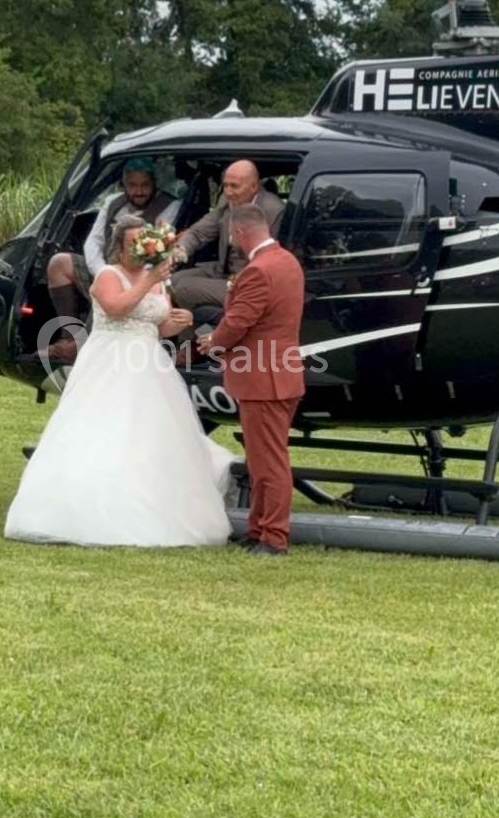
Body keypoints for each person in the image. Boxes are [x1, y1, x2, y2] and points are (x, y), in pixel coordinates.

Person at [5, 216, 234, 547]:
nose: (140, 251)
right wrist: (150, 278)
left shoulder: (156, 280)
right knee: (105, 425)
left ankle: (153, 500)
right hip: (111, 358)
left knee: (151, 430)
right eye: (133, 245)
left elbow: (159, 324)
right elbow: (116, 309)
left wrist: (179, 320)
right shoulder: (107, 277)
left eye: (144, 243)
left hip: (149, 361)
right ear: (119, 247)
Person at [197, 203, 305, 557]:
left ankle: (274, 536)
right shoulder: (287, 262)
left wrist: (212, 342)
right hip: (280, 373)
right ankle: (259, 528)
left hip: (263, 378)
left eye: (231, 233)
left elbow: (238, 322)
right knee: (262, 458)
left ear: (240, 232)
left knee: (269, 461)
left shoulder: (258, 271)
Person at [43, 159, 180, 360]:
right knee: (59, 263)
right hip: (105, 269)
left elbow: (159, 251)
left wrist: (124, 277)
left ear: (154, 184)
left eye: (145, 185)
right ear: (123, 185)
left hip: (140, 275)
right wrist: (104, 273)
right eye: (133, 185)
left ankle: (77, 349)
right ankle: (69, 337)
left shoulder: (170, 205)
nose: (139, 191)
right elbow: (93, 241)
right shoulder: (112, 202)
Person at [170, 159, 285, 316]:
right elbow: (199, 231)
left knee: (184, 288)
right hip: (221, 269)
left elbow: (273, 258)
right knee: (171, 281)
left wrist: (239, 280)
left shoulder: (273, 210)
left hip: (248, 283)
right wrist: (178, 251)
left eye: (234, 186)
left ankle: (192, 337)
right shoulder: (227, 201)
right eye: (225, 185)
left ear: (254, 186)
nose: (228, 192)